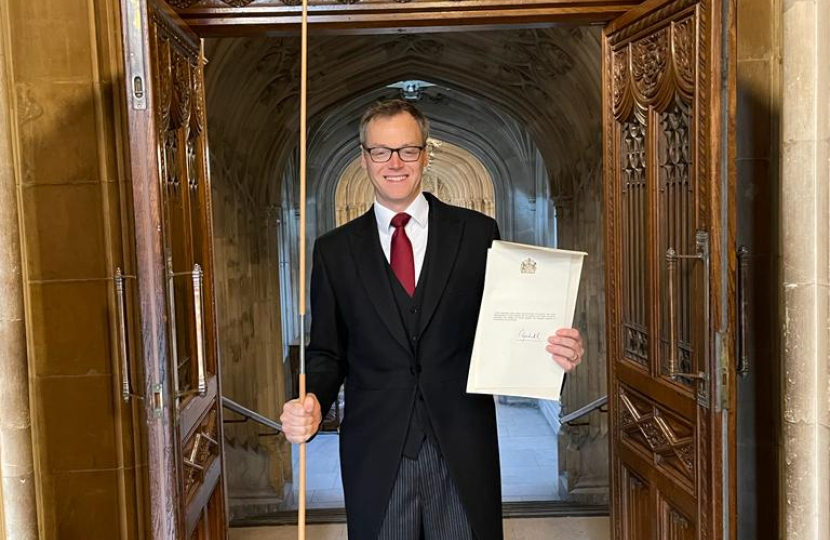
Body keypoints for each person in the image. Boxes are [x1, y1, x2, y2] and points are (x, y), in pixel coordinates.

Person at [280, 99, 584, 540]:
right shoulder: (334, 250)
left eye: (407, 149)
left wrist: (552, 352)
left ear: (425, 154)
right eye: (381, 151)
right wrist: (311, 400)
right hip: (376, 451)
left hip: (462, 446)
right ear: (364, 158)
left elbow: (505, 328)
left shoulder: (478, 232)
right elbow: (327, 352)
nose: (394, 163)